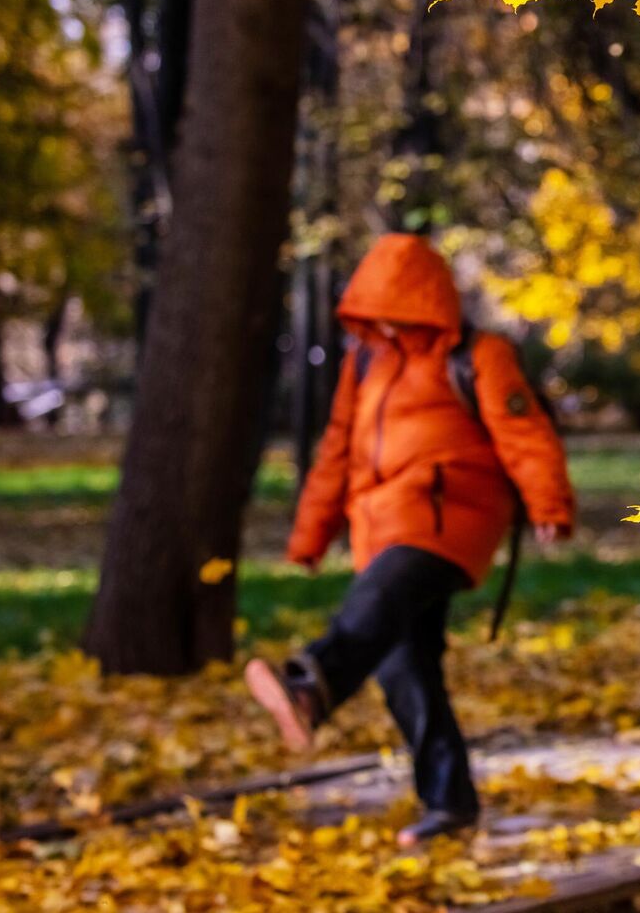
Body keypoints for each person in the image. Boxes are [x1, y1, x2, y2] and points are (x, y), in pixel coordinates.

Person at [245, 234, 575, 847]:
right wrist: (311, 533)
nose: (387, 322)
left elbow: (524, 433)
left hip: (450, 519)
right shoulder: (365, 363)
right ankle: (448, 804)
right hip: (380, 525)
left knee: (377, 604)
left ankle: (311, 684)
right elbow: (338, 449)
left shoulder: (479, 355)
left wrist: (548, 503)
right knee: (405, 667)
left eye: (395, 306)